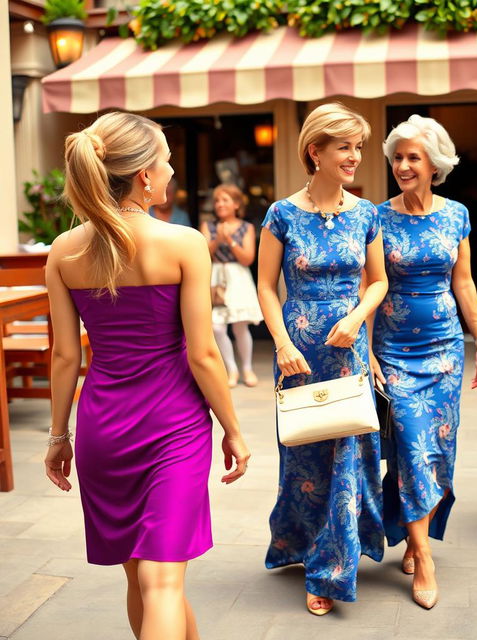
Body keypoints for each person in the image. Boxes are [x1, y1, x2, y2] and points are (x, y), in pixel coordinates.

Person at [44, 112, 250, 640]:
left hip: (102, 428)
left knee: (142, 579)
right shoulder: (183, 243)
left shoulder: (63, 252)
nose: (172, 170)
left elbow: (65, 357)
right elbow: (204, 354)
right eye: (167, 160)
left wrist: (57, 435)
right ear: (143, 177)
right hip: (172, 425)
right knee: (163, 583)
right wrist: (233, 428)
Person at [257, 103, 388, 615]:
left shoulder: (367, 213)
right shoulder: (281, 214)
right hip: (298, 356)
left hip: (347, 349)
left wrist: (357, 318)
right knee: (303, 456)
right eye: (344, 147)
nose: (355, 156)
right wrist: (283, 343)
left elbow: (377, 281)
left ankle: (330, 570)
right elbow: (266, 286)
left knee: (347, 458)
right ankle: (301, 544)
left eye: (358, 147)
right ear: (316, 151)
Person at [370, 115, 477, 609]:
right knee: (411, 445)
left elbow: (463, 280)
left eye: (412, 157)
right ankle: (422, 555)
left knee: (437, 452)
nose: (402, 165)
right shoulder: (377, 217)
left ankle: (412, 527)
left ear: (434, 164)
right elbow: (370, 288)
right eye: (397, 157)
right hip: (395, 351)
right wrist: (367, 352)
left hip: (444, 351)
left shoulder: (456, 214)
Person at [200, 184, 263, 387]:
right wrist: (218, 239)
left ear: (236, 204)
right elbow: (203, 254)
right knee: (217, 327)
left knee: (240, 326)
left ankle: (247, 368)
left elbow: (248, 259)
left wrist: (230, 240)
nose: (219, 204)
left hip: (238, 277)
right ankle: (231, 369)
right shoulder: (207, 226)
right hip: (216, 277)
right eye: (217, 200)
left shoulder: (247, 227)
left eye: (225, 200)